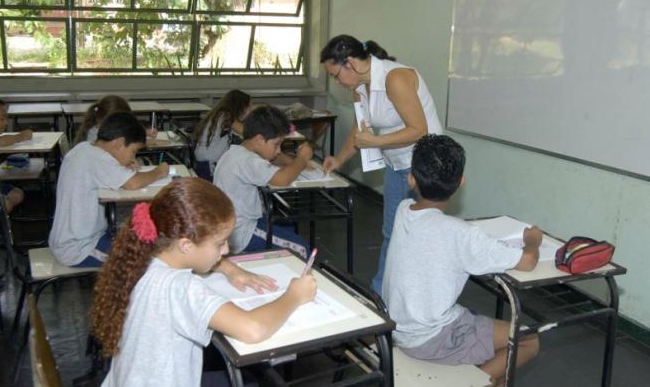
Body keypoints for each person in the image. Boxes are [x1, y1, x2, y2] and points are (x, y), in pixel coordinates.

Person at [90, 177, 317, 387]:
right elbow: (253, 329)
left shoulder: (144, 255)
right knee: (254, 379)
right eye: (220, 244)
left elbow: (198, 258)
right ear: (186, 245)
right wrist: (293, 296)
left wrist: (229, 268)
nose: (226, 250)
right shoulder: (180, 287)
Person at [382, 134, 541, 386]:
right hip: (430, 338)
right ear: (460, 182)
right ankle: (479, 383)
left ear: (411, 179)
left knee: (480, 330)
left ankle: (488, 379)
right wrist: (533, 239)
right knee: (529, 340)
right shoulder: (461, 234)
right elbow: (528, 262)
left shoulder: (403, 210)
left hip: (396, 328)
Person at [320, 34, 443, 296]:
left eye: (335, 75)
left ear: (350, 63)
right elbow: (360, 129)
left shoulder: (394, 78)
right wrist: (339, 159)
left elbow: (419, 130)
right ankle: (382, 295)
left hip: (425, 166)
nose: (337, 82)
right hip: (396, 163)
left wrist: (376, 140)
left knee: (418, 233)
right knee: (391, 231)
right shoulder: (360, 89)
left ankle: (417, 294)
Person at [48, 112, 169, 267]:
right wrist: (160, 171)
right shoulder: (97, 158)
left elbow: (109, 171)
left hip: (77, 238)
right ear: (118, 143)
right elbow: (133, 183)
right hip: (79, 249)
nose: (133, 157)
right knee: (145, 259)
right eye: (133, 151)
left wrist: (123, 163)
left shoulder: (85, 148)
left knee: (135, 236)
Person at [214, 105, 313, 257]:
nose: (278, 150)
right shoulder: (248, 161)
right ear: (259, 139)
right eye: (276, 144)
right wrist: (302, 159)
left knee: (288, 227)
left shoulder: (239, 152)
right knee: (302, 249)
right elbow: (282, 179)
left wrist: (293, 163)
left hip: (233, 225)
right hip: (242, 233)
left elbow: (273, 158)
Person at [192, 89, 251, 181]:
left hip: (204, 161)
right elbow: (246, 132)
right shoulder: (225, 116)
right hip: (208, 164)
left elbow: (241, 134)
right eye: (248, 106)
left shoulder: (221, 115)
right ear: (241, 106)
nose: (250, 108)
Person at [0, 95, 31, 223]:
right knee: (5, 204)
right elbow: (0, 141)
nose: (6, 123)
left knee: (16, 194)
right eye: (2, 118)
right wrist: (20, 136)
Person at [72, 95, 159, 147]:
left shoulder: (101, 130)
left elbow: (126, 134)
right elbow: (122, 147)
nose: (124, 126)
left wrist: (145, 132)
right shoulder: (95, 137)